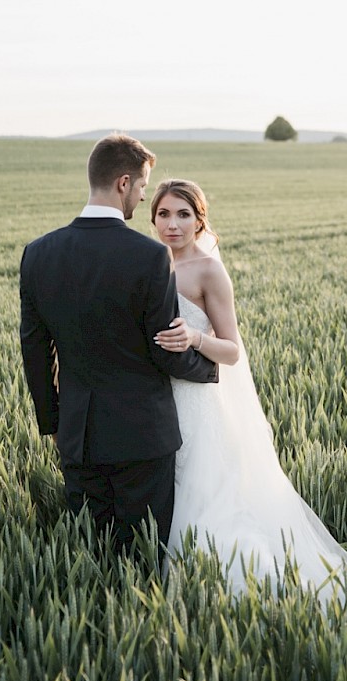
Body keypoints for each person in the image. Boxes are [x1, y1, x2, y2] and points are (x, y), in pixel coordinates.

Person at [151, 178, 347, 596]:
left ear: (200, 222)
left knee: (206, 496)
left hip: (199, 402)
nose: (173, 224)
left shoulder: (209, 270)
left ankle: (228, 581)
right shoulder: (151, 263)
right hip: (160, 400)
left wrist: (195, 338)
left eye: (183, 215)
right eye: (164, 214)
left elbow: (232, 349)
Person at [19, 135, 219, 555]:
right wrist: (210, 369)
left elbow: (35, 352)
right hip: (142, 437)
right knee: (144, 555)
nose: (143, 197)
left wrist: (54, 423)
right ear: (123, 183)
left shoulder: (37, 253)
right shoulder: (149, 256)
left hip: (77, 436)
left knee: (91, 555)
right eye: (144, 188)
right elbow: (165, 346)